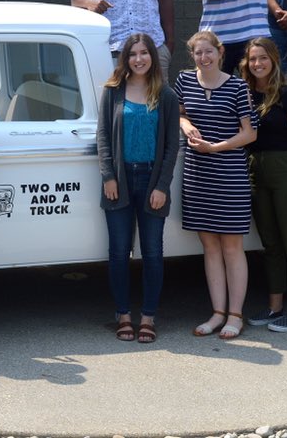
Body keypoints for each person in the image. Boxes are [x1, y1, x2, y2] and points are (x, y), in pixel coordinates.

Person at [97, 33, 181, 344]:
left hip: (152, 182)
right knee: (119, 253)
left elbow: (172, 146)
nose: (139, 59)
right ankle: (122, 315)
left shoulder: (166, 95)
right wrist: (108, 176)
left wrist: (161, 186)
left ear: (152, 57)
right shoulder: (113, 92)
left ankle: (147, 316)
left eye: (144, 53)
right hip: (119, 180)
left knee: (153, 253)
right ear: (125, 58)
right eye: (133, 54)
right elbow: (103, 137)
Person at [174, 31, 258, 339]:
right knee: (209, 247)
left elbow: (250, 134)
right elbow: (178, 114)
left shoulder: (238, 86)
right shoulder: (184, 81)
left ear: (219, 52)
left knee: (232, 247)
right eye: (198, 53)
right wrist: (188, 126)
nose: (204, 58)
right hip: (198, 173)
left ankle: (235, 315)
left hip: (229, 172)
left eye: (209, 52)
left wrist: (217, 147)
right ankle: (217, 313)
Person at [240, 38, 287, 332]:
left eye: (263, 59)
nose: (258, 64)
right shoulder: (243, 94)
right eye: (253, 59)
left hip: (285, 170)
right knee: (270, 245)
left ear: (274, 60)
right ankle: (274, 307)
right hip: (256, 171)